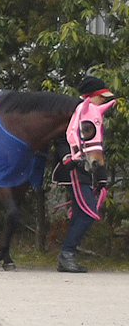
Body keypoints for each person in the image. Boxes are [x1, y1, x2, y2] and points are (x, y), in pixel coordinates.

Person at [54, 75, 117, 273]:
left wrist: (101, 176)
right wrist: (66, 158)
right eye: (100, 96)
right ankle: (66, 253)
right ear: (90, 96)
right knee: (88, 212)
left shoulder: (95, 115)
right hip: (76, 170)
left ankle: (67, 255)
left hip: (88, 171)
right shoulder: (75, 113)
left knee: (83, 213)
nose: (103, 100)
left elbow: (97, 147)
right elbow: (61, 137)